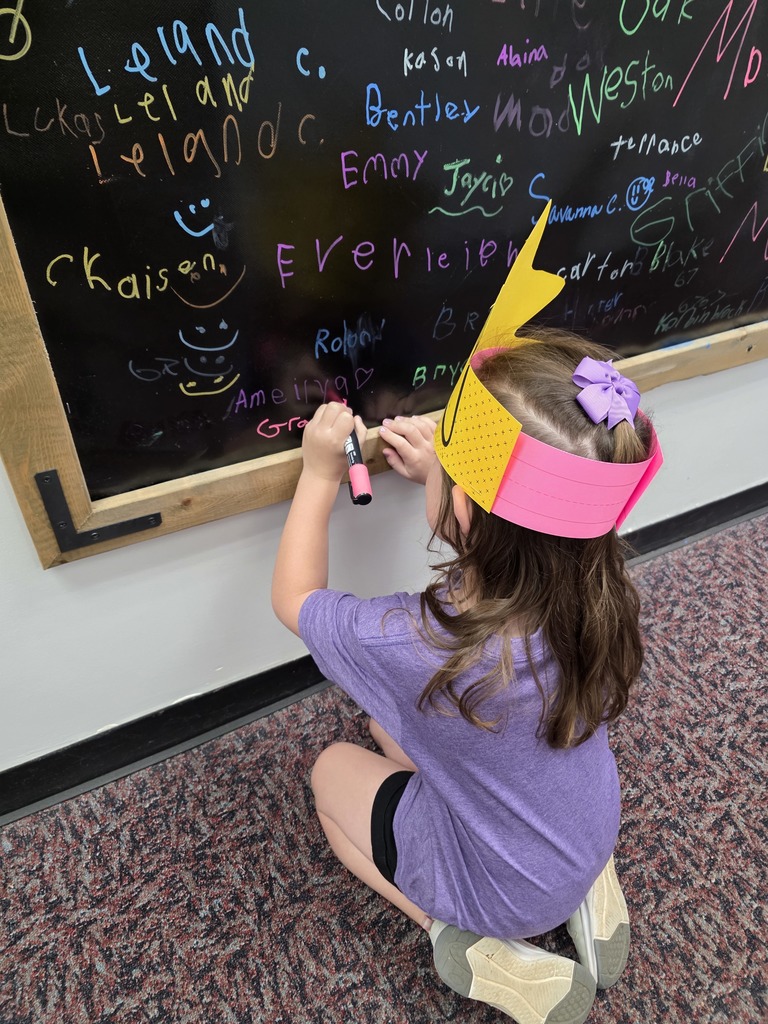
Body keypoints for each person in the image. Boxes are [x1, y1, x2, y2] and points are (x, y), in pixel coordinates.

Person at [271, 331, 662, 1024]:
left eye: (448, 461)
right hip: (588, 826)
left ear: (468, 509)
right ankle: (586, 887)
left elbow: (294, 599)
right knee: (384, 725)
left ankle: (458, 937)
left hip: (501, 889)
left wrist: (318, 475)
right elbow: (522, 527)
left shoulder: (420, 645)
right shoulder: (602, 594)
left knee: (332, 768)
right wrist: (446, 478)